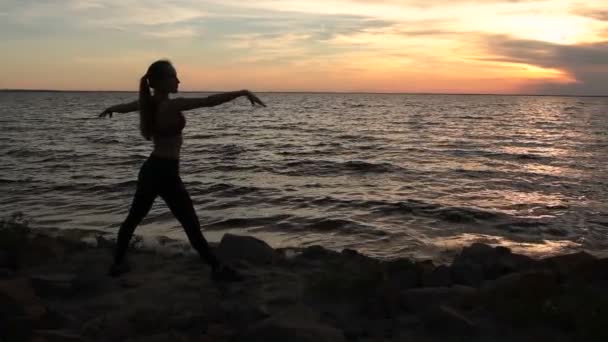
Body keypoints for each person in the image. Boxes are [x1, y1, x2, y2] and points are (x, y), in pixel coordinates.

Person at [99, 59, 266, 280]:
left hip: (153, 170)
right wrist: (242, 92)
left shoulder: (147, 103)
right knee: (189, 223)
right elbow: (208, 101)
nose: (178, 80)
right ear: (160, 82)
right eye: (173, 77)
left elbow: (126, 107)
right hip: (164, 173)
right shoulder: (170, 105)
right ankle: (216, 269)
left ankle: (117, 264)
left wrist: (111, 109)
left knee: (135, 218)